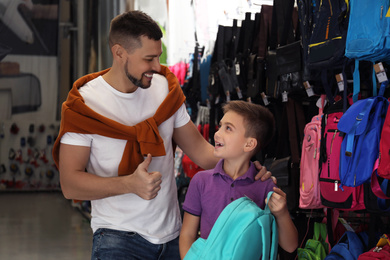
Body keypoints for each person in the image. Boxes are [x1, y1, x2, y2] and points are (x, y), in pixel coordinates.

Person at [52, 10, 274, 260]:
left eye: (158, 56)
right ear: (119, 53)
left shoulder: (165, 89)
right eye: (149, 59)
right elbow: (70, 185)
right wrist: (129, 184)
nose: (157, 66)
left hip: (171, 238)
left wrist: (247, 165)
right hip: (117, 238)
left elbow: (202, 153)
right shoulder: (84, 104)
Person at [179, 100, 298, 259]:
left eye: (228, 128)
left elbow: (290, 246)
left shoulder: (265, 186)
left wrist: (282, 213)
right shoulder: (201, 181)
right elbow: (187, 234)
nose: (217, 133)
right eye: (220, 125)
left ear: (249, 144)